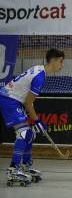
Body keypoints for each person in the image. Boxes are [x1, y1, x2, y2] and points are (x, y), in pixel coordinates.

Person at [0, 48, 65, 186]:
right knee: (24, 133)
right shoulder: (40, 77)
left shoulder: (39, 70)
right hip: (8, 99)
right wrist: (37, 120)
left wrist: (36, 121)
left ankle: (26, 166)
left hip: (13, 99)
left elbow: (28, 102)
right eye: (61, 61)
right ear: (53, 61)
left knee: (29, 134)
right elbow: (28, 102)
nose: (62, 65)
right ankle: (13, 169)